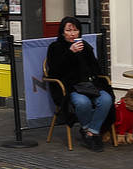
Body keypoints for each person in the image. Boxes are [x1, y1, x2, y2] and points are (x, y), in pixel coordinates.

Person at [46, 16, 114, 152]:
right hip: (70, 87)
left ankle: (91, 132)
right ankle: (90, 132)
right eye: (68, 30)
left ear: (79, 32)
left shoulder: (85, 46)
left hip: (89, 85)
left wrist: (96, 79)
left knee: (106, 99)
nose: (72, 34)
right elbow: (55, 71)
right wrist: (70, 52)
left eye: (75, 30)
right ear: (62, 32)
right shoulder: (55, 47)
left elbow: (95, 68)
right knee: (83, 103)